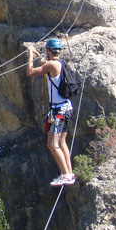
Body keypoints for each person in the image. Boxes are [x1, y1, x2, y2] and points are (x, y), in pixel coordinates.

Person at [27, 37, 76, 186]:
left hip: (58, 110)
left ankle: (66, 175)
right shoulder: (59, 63)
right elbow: (45, 63)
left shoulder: (51, 65)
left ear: (49, 50)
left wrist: (30, 54)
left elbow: (30, 72)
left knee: (52, 144)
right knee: (62, 142)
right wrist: (36, 53)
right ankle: (69, 173)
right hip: (66, 107)